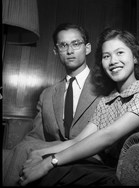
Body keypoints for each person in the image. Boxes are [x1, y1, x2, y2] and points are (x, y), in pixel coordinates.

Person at [19, 28, 139, 186]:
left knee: (52, 170)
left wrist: (50, 161)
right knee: (52, 172)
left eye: (120, 53)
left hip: (137, 175)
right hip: (108, 169)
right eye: (106, 56)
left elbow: (108, 136)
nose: (113, 61)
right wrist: (40, 153)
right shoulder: (107, 100)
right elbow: (81, 139)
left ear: (135, 57)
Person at [3, 23, 101, 186]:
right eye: (63, 45)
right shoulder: (47, 94)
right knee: (23, 148)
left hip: (90, 155)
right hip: (52, 157)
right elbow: (35, 137)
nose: (70, 51)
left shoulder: (105, 87)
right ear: (56, 51)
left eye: (76, 44)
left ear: (88, 48)